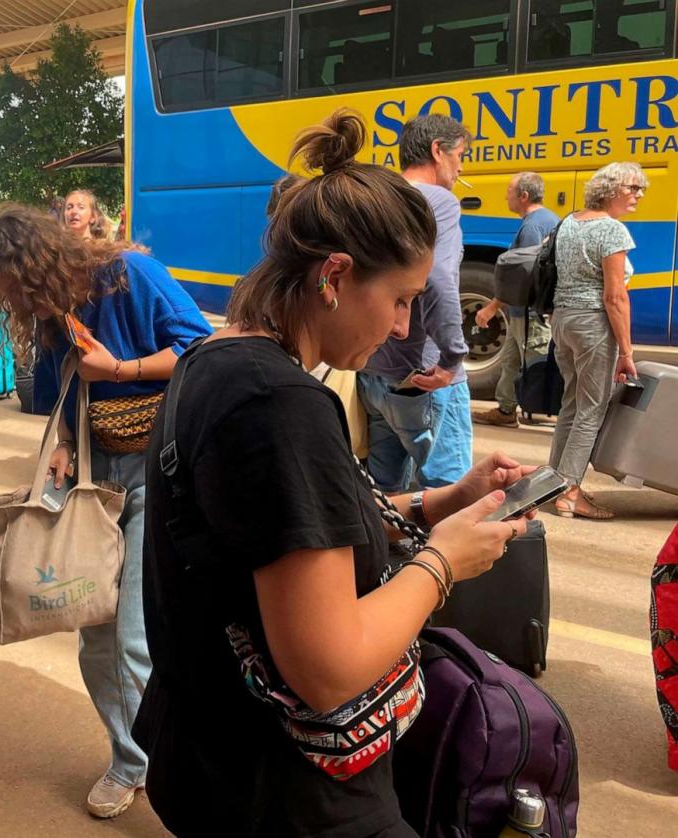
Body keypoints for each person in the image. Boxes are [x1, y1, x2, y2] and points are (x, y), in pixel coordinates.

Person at [134, 109, 529, 837]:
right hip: (286, 791)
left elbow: (282, 529)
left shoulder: (218, 362)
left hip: (208, 753)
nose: (404, 327)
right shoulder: (280, 401)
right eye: (401, 299)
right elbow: (327, 667)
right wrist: (445, 562)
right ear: (336, 276)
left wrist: (444, 501)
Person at [0, 206, 212, 819]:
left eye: (19, 292)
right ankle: (132, 758)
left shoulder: (131, 274)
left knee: (134, 639)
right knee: (94, 637)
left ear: (42, 268)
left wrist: (121, 369)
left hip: (158, 473)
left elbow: (199, 349)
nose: (19, 307)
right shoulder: (55, 309)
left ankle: (173, 773)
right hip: (95, 477)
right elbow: (67, 381)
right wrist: (62, 442)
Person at [358, 113, 473, 493]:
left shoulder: (376, 197)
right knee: (448, 493)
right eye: (460, 155)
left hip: (373, 373)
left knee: (385, 490)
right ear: (437, 151)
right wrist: (452, 359)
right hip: (422, 377)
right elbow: (438, 278)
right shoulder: (438, 200)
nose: (460, 167)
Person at [547, 161, 646, 520]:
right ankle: (570, 492)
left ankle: (553, 482)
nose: (638, 195)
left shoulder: (570, 222)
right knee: (591, 410)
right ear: (611, 189)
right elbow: (615, 297)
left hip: (563, 320)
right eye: (633, 187)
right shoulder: (611, 230)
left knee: (571, 405)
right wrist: (626, 351)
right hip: (592, 324)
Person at [473, 172, 560, 428]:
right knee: (511, 360)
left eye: (509, 192)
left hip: (529, 312)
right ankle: (506, 409)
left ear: (523, 196)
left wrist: (491, 307)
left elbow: (523, 276)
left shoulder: (533, 226)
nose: (506, 197)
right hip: (521, 313)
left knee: (535, 362)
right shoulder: (545, 219)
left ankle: (541, 407)